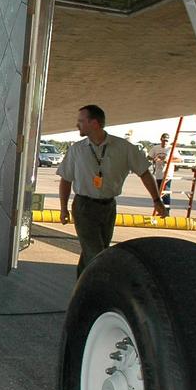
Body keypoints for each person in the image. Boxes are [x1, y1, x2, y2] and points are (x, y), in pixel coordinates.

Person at [57, 105, 166, 275]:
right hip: (84, 207)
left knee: (92, 254)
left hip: (108, 207)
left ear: (94, 123)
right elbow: (65, 180)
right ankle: (100, 293)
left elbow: (144, 173)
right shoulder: (77, 150)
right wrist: (63, 208)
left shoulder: (123, 148)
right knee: (97, 255)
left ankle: (82, 291)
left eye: (81, 121)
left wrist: (157, 200)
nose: (77, 125)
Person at [147, 133, 172, 213]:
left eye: (167, 141)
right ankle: (161, 210)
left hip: (167, 174)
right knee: (158, 193)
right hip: (158, 173)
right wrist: (154, 158)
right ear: (161, 139)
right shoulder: (156, 148)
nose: (165, 142)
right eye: (164, 140)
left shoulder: (171, 148)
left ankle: (167, 210)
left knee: (166, 192)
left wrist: (167, 160)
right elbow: (149, 157)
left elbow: (179, 159)